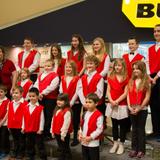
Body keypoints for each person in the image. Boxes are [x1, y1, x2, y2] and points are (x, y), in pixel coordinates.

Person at [127, 61, 151, 158]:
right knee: (134, 129)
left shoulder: (146, 82)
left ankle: (141, 150)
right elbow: (128, 95)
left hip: (142, 109)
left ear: (142, 69)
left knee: (141, 130)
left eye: (137, 68)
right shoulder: (131, 81)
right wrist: (129, 106)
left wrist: (140, 108)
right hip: (132, 108)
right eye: (134, 69)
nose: (135, 70)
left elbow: (147, 97)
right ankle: (134, 148)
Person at [105, 58, 128, 155]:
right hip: (112, 103)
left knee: (122, 126)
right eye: (116, 65)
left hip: (122, 104)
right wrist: (111, 101)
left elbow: (126, 92)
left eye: (119, 65)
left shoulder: (126, 77)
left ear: (123, 67)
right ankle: (115, 143)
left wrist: (117, 101)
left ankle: (121, 144)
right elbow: (108, 90)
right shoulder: (110, 76)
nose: (117, 67)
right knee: (114, 125)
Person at [34, 59, 59, 139]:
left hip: (50, 99)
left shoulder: (55, 75)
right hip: (41, 98)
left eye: (49, 66)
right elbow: (36, 84)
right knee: (42, 115)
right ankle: (42, 131)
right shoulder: (41, 75)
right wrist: (37, 93)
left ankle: (48, 133)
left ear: (53, 66)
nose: (47, 67)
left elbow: (52, 87)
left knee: (49, 116)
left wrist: (42, 93)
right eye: (45, 66)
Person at [22, 87, 47, 160]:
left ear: (37, 96)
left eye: (33, 96)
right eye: (30, 96)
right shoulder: (26, 107)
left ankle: (43, 157)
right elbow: (24, 118)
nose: (31, 98)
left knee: (40, 145)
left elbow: (42, 119)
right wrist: (23, 127)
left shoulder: (40, 107)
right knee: (30, 144)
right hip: (28, 129)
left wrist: (41, 129)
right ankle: (31, 156)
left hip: (37, 130)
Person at [59, 60, 80, 146]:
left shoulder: (77, 78)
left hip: (75, 103)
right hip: (65, 103)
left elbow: (77, 91)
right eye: (67, 67)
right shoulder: (63, 77)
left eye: (70, 67)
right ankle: (65, 137)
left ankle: (75, 138)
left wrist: (71, 102)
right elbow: (61, 89)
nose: (68, 69)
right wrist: (63, 101)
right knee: (65, 120)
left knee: (75, 120)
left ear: (73, 68)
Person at [145, 24, 160, 139]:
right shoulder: (150, 48)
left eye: (158, 31)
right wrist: (150, 76)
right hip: (151, 78)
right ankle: (155, 132)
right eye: (155, 31)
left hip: (159, 78)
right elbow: (148, 63)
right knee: (153, 106)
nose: (156, 33)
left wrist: (155, 77)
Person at [79, 93, 103, 160]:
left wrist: (91, 137)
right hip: (84, 140)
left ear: (96, 103)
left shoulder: (99, 115)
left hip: (93, 142)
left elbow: (99, 129)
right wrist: (80, 133)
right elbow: (82, 125)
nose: (87, 104)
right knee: (85, 157)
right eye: (86, 102)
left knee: (93, 157)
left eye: (90, 102)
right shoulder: (85, 113)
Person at [7, 86, 28, 159]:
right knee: (15, 140)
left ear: (22, 94)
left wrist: (23, 126)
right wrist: (9, 125)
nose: (14, 95)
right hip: (12, 125)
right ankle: (15, 151)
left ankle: (21, 153)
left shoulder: (25, 104)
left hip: (20, 126)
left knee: (21, 141)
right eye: (13, 93)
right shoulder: (11, 103)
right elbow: (9, 114)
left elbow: (25, 117)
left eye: (16, 93)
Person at [50, 93, 72, 160]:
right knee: (61, 147)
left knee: (65, 148)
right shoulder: (56, 109)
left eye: (61, 100)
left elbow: (66, 124)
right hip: (57, 132)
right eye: (58, 100)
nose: (59, 102)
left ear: (66, 102)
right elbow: (53, 121)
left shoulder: (67, 111)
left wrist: (63, 134)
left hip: (63, 134)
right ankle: (62, 157)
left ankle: (67, 157)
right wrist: (52, 131)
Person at [0, 85, 10, 159]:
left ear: (5, 92)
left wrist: (2, 122)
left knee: (4, 137)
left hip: (4, 123)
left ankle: (5, 151)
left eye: (1, 92)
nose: (0, 93)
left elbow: (7, 113)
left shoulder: (7, 101)